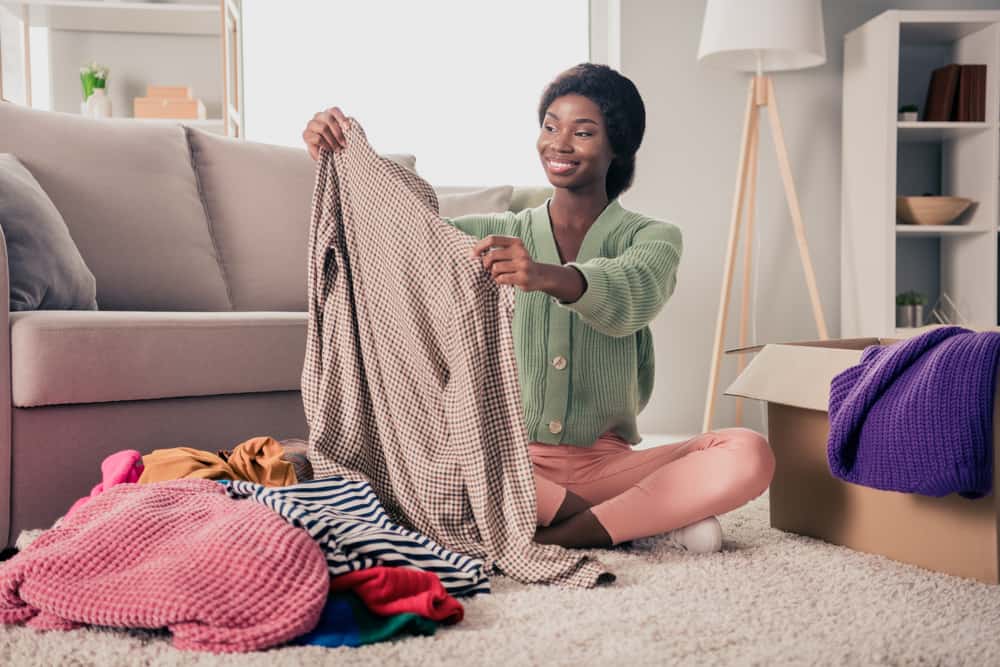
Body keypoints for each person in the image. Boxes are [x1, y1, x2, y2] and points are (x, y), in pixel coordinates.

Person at [302, 63, 775, 553]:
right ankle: (643, 523)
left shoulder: (652, 237)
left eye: (583, 132)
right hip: (500, 460)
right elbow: (406, 239)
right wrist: (342, 163)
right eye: (550, 126)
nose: (559, 143)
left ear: (619, 144)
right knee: (405, 465)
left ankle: (562, 532)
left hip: (605, 464)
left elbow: (634, 293)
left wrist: (545, 276)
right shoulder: (491, 232)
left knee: (749, 452)